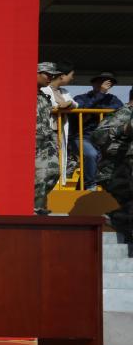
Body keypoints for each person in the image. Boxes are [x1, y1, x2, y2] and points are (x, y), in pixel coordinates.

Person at [91, 90, 133, 238]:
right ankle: (117, 218)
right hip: (114, 170)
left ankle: (119, 219)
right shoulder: (124, 114)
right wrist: (124, 129)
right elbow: (97, 136)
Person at [73, 72, 123, 189]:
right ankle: (90, 186)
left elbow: (120, 110)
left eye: (108, 82)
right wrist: (100, 93)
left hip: (104, 138)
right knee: (91, 155)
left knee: (107, 160)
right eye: (100, 81)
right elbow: (81, 108)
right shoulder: (81, 98)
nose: (103, 84)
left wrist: (96, 111)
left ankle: (82, 188)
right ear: (93, 83)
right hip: (83, 136)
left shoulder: (113, 99)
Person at [35, 63, 62, 215]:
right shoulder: (20, 92)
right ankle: (36, 208)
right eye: (47, 74)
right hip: (30, 143)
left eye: (53, 75)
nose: (50, 78)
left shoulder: (44, 96)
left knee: (54, 172)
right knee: (40, 177)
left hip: (46, 142)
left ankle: (37, 205)